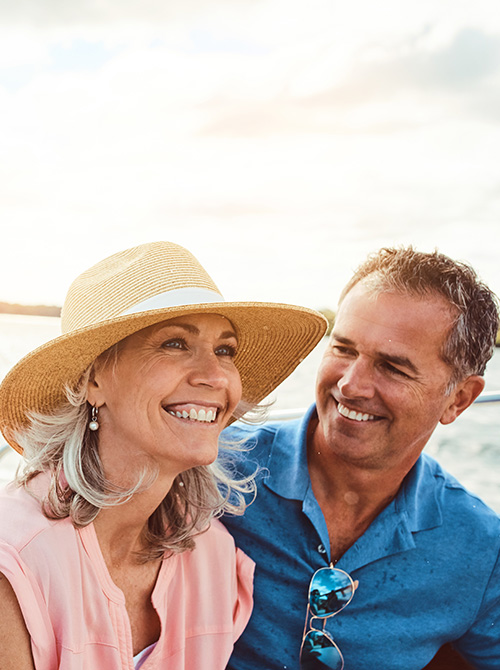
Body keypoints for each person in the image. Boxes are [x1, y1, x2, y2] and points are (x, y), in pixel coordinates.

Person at [0, 240, 327, 670]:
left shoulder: (213, 557)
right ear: (93, 380)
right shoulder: (15, 561)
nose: (214, 375)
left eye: (225, 350)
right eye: (174, 343)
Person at [222, 246, 500, 670]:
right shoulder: (214, 473)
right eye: (344, 349)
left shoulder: (480, 547)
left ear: (459, 400)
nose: (351, 385)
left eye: (392, 367)